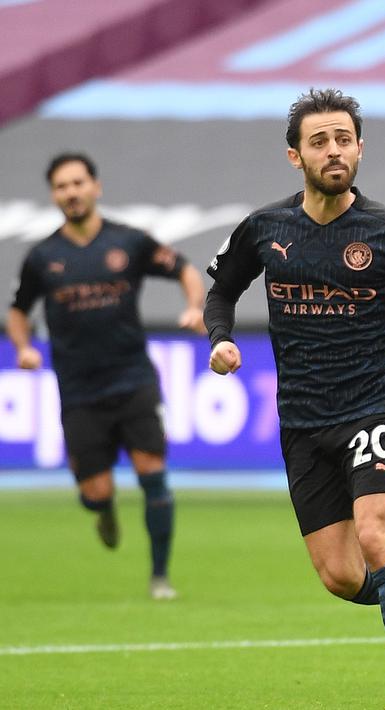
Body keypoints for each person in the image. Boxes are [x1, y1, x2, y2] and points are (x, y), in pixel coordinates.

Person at [203, 88, 385, 710]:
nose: (334, 150)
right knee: (341, 577)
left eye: (343, 139)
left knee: (377, 533)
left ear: (360, 147)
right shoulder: (265, 229)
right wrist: (221, 340)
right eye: (319, 141)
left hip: (371, 408)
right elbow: (221, 294)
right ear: (296, 156)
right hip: (301, 419)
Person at [7, 152, 203, 600]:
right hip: (79, 390)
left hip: (132, 379)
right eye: (62, 186)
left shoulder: (128, 241)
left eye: (78, 183)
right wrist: (22, 348)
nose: (71, 192)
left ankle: (159, 576)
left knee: (153, 473)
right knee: (94, 491)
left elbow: (185, 269)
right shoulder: (43, 257)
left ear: (95, 187)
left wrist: (194, 305)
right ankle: (103, 509)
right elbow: (18, 312)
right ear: (54, 195)